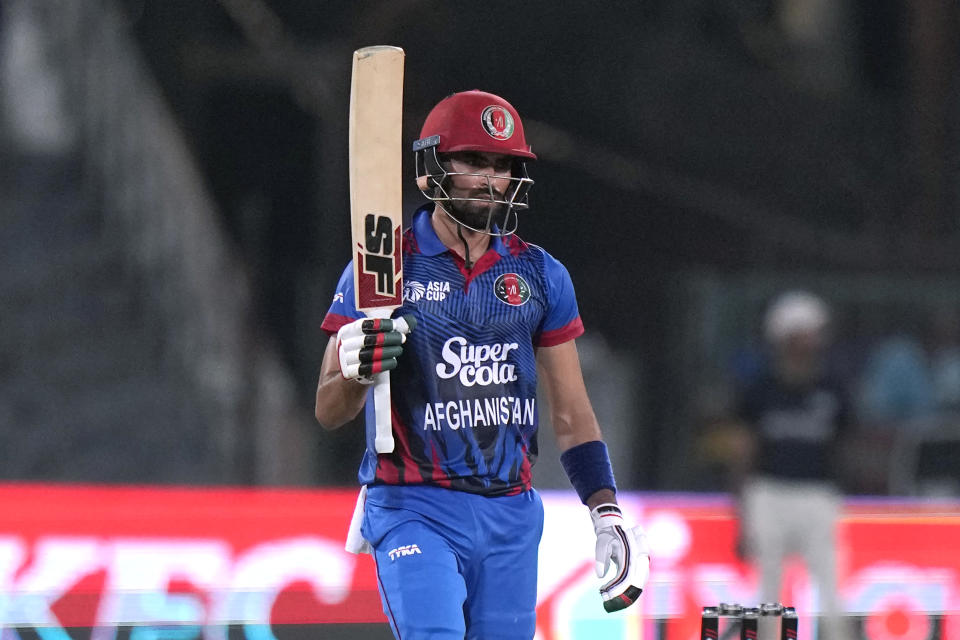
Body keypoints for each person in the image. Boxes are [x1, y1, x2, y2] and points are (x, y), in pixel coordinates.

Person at [314, 90, 649, 640]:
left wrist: (605, 512)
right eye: (473, 161)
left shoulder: (541, 275)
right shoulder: (381, 268)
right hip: (413, 504)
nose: (490, 178)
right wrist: (352, 371)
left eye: (502, 165)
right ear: (432, 171)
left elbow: (570, 414)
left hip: (511, 516)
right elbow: (329, 410)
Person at [733, 291, 852, 640]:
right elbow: (744, 451)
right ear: (788, 337)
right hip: (768, 492)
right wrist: (741, 510)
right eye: (809, 331)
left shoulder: (833, 388)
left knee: (832, 592)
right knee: (768, 593)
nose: (817, 339)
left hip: (818, 493)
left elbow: (845, 445)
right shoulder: (760, 389)